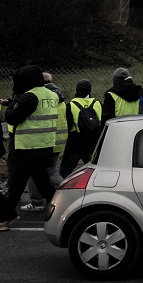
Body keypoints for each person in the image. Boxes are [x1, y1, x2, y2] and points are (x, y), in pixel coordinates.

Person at [0, 66, 59, 231]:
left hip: (27, 147)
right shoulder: (51, 95)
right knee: (43, 184)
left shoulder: (29, 97)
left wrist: (13, 104)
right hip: (45, 146)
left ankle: (6, 218)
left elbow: (11, 117)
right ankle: (62, 209)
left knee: (16, 186)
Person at [60, 80, 102, 177]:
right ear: (90, 90)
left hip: (75, 141)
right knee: (94, 169)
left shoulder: (70, 105)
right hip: (93, 140)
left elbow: (68, 125)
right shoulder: (97, 103)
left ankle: (63, 190)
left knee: (66, 170)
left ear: (77, 90)